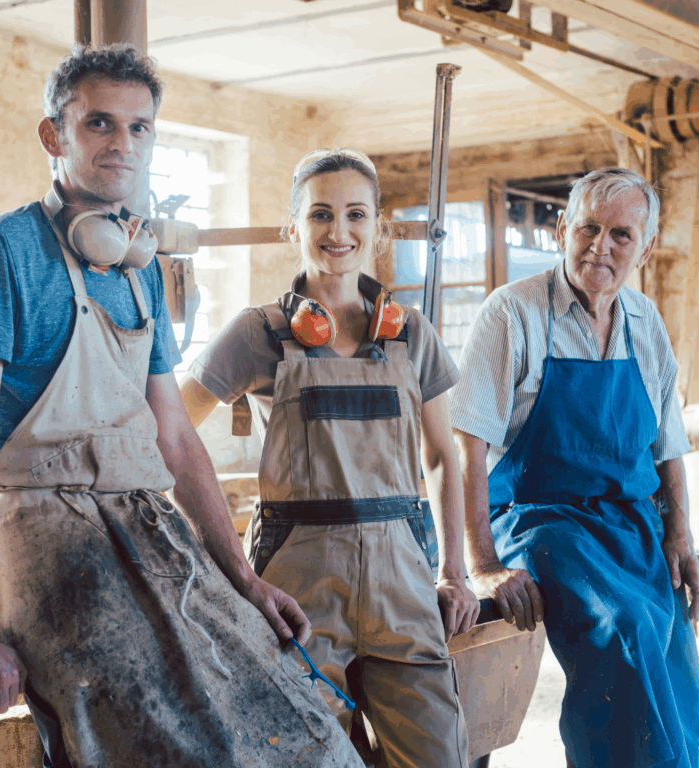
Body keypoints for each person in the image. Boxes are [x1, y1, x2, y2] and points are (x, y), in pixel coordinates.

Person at [0, 44, 365, 768]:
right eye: (99, 124)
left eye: (140, 128)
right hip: (49, 538)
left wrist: (243, 578)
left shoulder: (138, 271)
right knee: (174, 740)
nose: (122, 144)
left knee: (300, 721)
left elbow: (175, 434)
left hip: (149, 524)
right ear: (54, 136)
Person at [181, 147, 479, 768]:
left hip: (405, 584)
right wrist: (231, 565)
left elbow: (444, 457)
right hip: (298, 590)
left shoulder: (413, 334)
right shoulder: (258, 333)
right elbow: (170, 432)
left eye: (355, 214)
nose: (338, 232)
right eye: (320, 215)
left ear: (379, 226)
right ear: (294, 227)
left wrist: (455, 571)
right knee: (307, 757)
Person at [449, 167, 699, 767]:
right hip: (541, 521)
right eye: (588, 227)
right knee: (621, 629)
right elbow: (468, 448)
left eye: (622, 234)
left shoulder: (645, 322)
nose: (602, 246)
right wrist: (482, 565)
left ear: (644, 247)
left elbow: (668, 446)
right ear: (561, 228)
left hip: (630, 524)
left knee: (677, 657)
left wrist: (681, 535)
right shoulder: (512, 313)